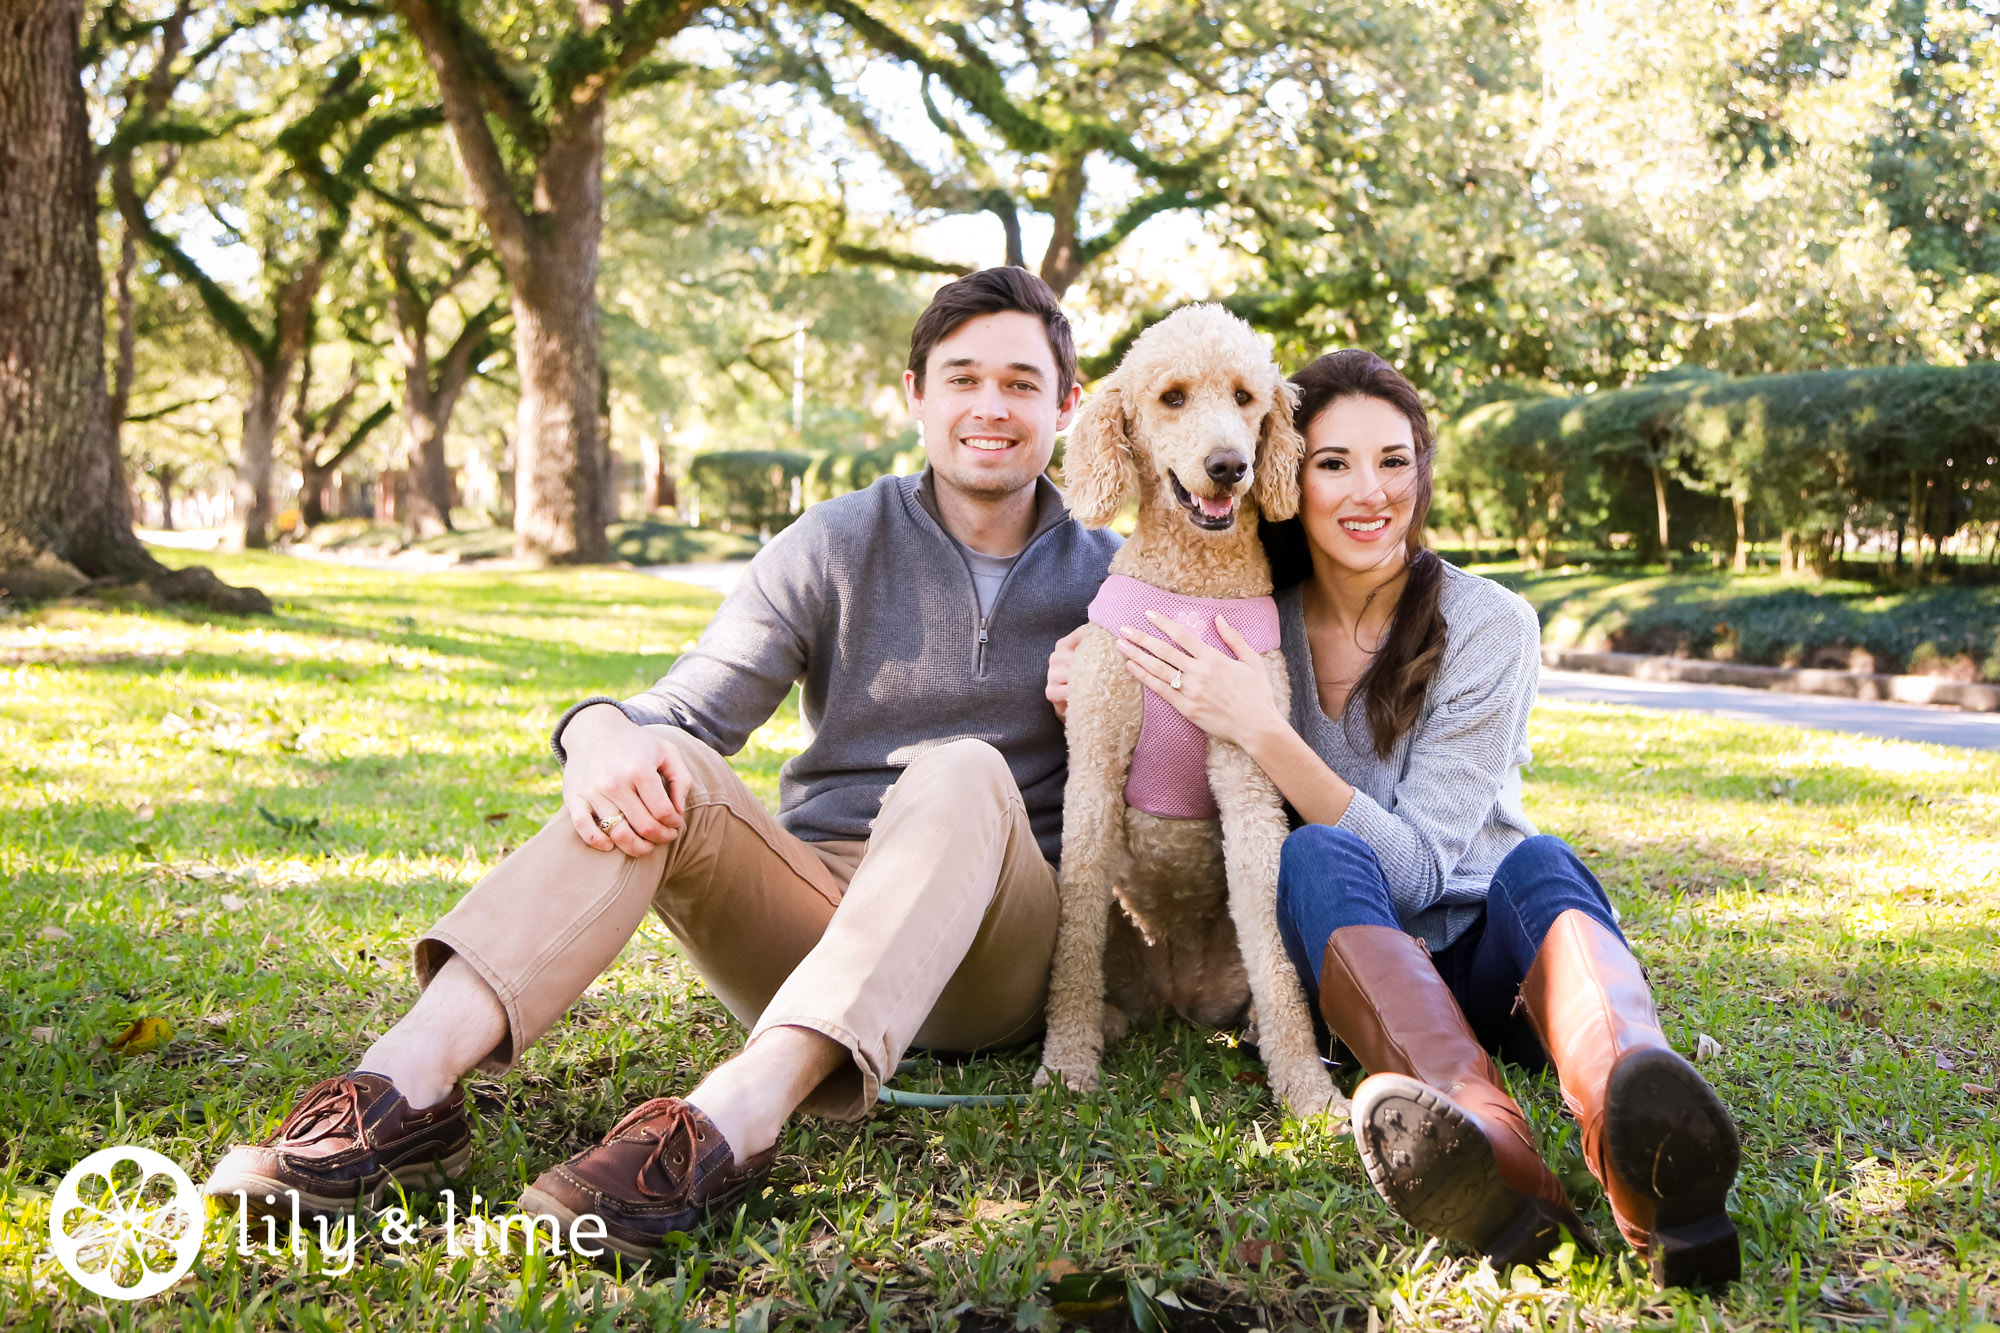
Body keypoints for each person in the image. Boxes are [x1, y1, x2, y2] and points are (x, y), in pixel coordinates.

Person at [203, 267, 1120, 1262]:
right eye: (962, 378)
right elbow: (683, 707)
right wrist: (597, 731)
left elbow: (1177, 787)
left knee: (962, 767)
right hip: (813, 926)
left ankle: (735, 1117)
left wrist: (1123, 693)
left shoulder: (1113, 573)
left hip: (994, 947)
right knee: (664, 760)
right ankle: (401, 1089)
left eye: (1022, 383)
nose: (990, 406)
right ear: (916, 396)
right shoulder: (835, 542)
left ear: (1065, 407)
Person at [1050, 348, 1741, 1290]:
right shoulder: (1258, 611)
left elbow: (1419, 868)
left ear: (1422, 471)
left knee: (1539, 863)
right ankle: (1487, 1146)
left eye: (1394, 460)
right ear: (1293, 465)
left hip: (1499, 966)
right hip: (1359, 976)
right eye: (1334, 463)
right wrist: (1087, 659)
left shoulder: (1490, 622)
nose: (1367, 491)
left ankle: (1646, 1136)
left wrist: (1261, 725)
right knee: (1319, 858)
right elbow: (1143, 623)